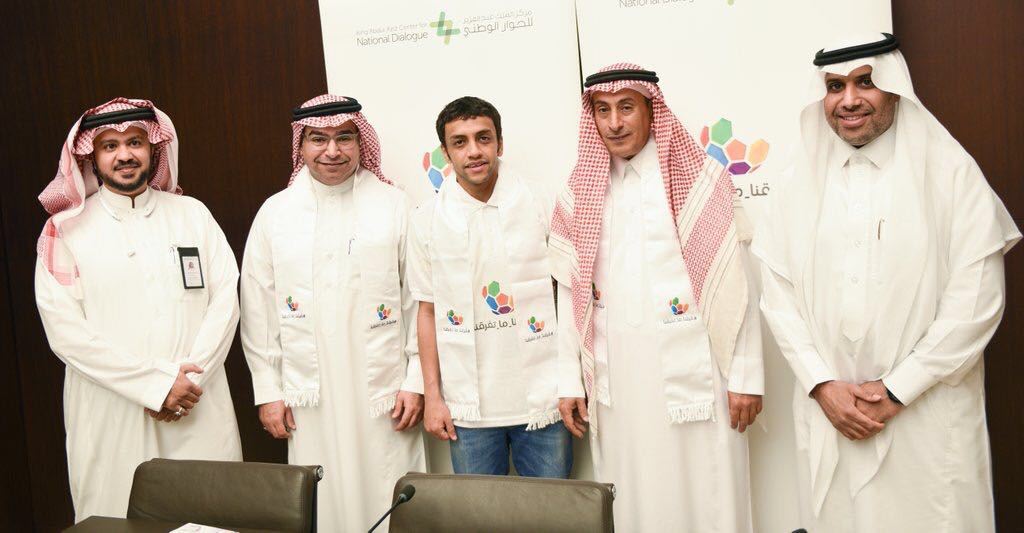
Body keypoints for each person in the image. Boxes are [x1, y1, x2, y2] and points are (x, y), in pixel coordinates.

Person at [753, 33, 1020, 532]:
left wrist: (898, 389)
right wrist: (821, 384)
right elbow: (778, 296)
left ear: (894, 89)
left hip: (926, 413)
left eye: (866, 83)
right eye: (835, 86)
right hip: (831, 413)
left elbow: (977, 302)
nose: (849, 100)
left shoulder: (949, 174)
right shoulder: (794, 182)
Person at [550, 64, 764, 530]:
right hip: (619, 381)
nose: (614, 123)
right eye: (603, 110)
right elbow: (571, 295)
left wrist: (746, 375)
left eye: (627, 107)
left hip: (700, 379)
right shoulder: (579, 192)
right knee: (634, 493)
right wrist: (569, 381)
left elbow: (736, 284)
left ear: (652, 110)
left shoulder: (702, 180)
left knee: (708, 492)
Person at [34, 98, 242, 522]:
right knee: (119, 517)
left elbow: (225, 301)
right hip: (114, 408)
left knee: (210, 517)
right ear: (91, 157)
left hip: (196, 400)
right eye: (109, 146)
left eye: (135, 142)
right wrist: (155, 386)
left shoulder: (192, 215)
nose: (124, 155)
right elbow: (66, 333)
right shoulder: (65, 230)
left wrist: (185, 383)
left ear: (153, 148)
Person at [240, 94, 425, 531]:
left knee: (390, 482)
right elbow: (258, 307)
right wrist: (268, 391)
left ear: (361, 143)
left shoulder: (393, 204)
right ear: (300, 146)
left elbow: (417, 299)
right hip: (309, 394)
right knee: (321, 492)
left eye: (344, 138)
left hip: (385, 390)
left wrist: (416, 381)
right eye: (318, 139)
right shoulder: (275, 213)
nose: (332, 151)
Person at [410, 96, 570, 478]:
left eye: (483, 138)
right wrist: (432, 397)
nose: (474, 151)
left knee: (556, 509)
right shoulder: (427, 220)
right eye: (460, 142)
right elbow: (427, 312)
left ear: (500, 143)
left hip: (545, 403)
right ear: (446, 152)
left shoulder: (540, 202)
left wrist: (571, 383)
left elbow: (567, 296)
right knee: (478, 511)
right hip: (469, 413)